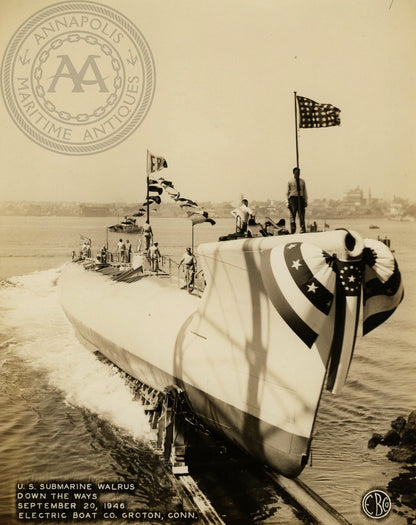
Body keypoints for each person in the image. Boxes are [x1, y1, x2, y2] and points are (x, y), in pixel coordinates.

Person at [287, 167, 308, 233]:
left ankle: (302, 229)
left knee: (301, 215)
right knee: (292, 215)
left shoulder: (302, 181)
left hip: (300, 198)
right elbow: (287, 192)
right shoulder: (290, 182)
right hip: (293, 199)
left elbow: (305, 192)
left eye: (299, 173)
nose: (297, 174)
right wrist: (287, 202)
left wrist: (305, 200)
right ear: (293, 173)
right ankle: (293, 230)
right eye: (296, 173)